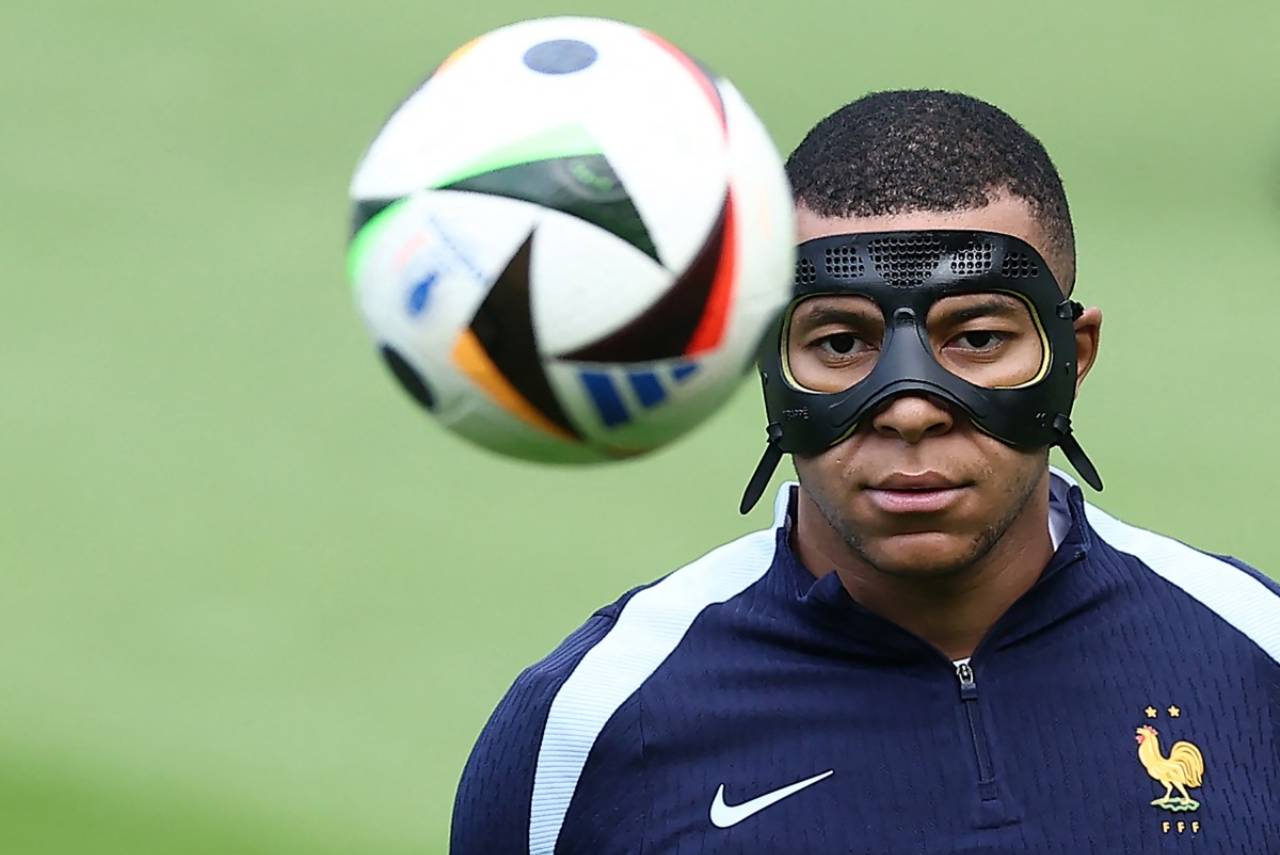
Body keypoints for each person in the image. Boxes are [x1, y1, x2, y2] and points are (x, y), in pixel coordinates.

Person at [449, 90, 1280, 854]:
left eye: (978, 338)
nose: (910, 410)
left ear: (1074, 356)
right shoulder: (592, 725)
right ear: (766, 363)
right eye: (841, 342)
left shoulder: (1256, 655)